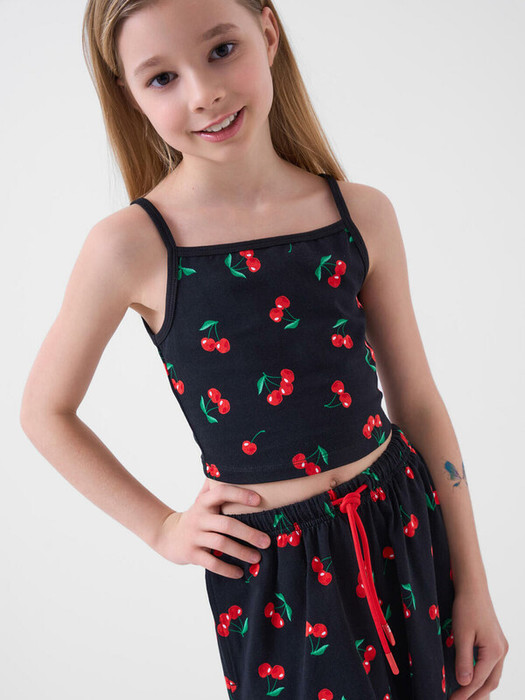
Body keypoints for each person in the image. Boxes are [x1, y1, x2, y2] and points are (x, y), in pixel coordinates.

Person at [19, 0, 508, 698]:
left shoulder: (360, 214)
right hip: (276, 569)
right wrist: (161, 528)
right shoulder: (131, 246)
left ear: (268, 32)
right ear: (130, 93)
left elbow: (419, 403)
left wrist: (474, 586)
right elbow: (45, 411)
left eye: (221, 50)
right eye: (162, 77)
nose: (203, 93)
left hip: (404, 526)